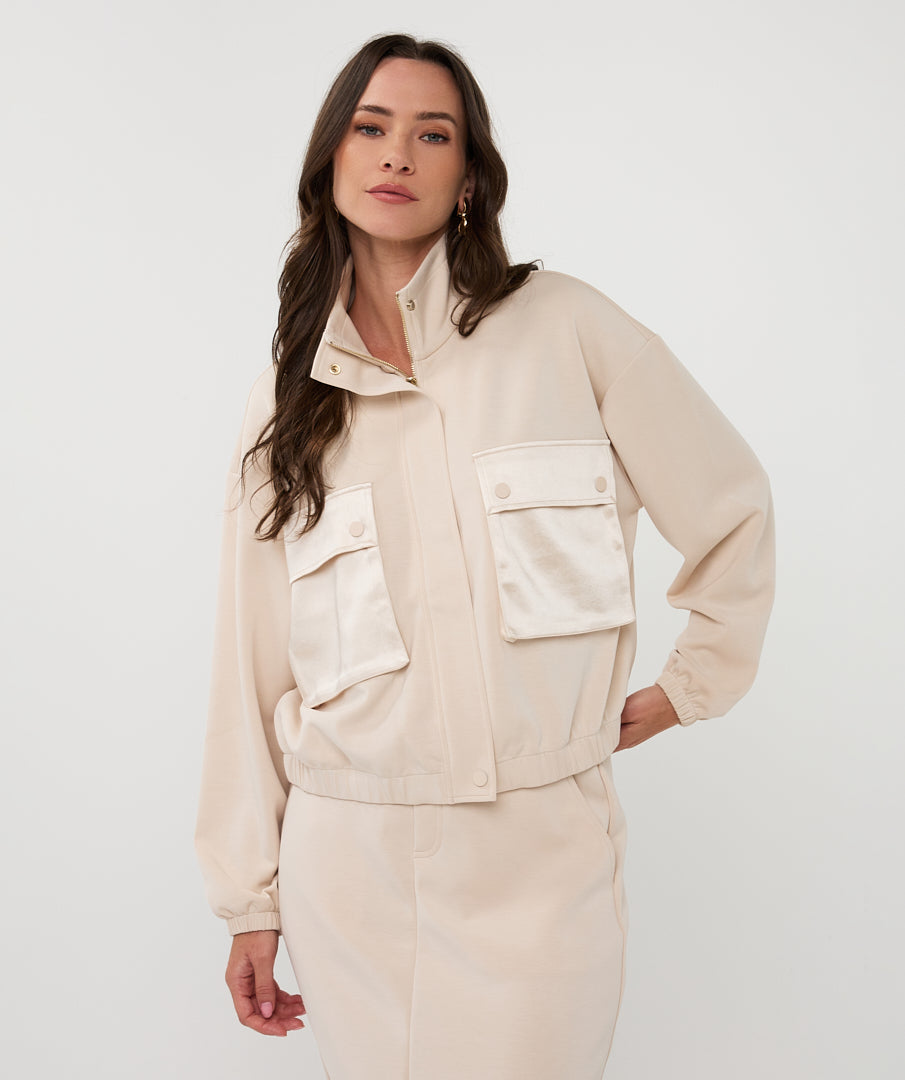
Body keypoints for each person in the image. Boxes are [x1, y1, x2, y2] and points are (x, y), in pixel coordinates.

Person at [195, 33, 775, 1080]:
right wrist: (251, 901)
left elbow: (728, 503)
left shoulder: (567, 330)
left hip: (539, 856)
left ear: (468, 176)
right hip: (351, 864)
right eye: (370, 128)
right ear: (330, 161)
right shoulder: (285, 403)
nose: (397, 154)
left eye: (433, 135)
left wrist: (692, 684)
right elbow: (249, 664)